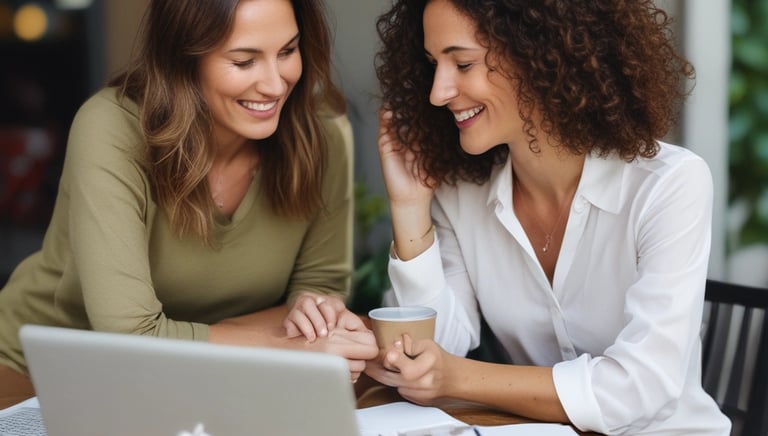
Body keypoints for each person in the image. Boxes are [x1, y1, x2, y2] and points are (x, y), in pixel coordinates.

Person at [365, 0, 731, 435]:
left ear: (540, 54)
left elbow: (639, 388)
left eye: (463, 64)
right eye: (433, 65)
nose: (438, 92)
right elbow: (429, 354)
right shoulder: (460, 194)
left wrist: (457, 376)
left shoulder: (668, 185)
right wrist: (409, 210)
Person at [0, 0, 378, 399]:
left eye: (287, 51)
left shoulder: (321, 130)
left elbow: (320, 284)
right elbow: (132, 338)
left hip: (206, 375)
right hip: (42, 373)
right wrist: (289, 341)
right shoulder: (111, 128)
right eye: (244, 61)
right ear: (184, 58)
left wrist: (314, 314)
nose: (274, 83)